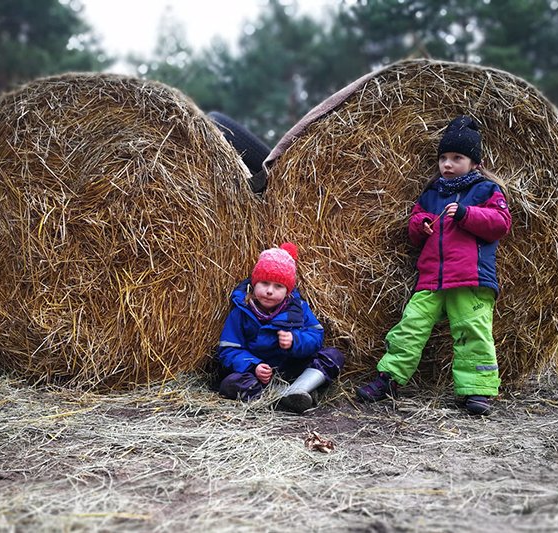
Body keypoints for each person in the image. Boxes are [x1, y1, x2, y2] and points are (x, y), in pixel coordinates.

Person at [356, 116, 512, 416]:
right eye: (443, 158)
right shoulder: (431, 194)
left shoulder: (486, 191)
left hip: (470, 279)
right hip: (431, 279)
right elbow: (414, 224)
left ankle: (478, 390)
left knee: (472, 332)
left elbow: (500, 224)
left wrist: (466, 214)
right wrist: (421, 225)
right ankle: (388, 378)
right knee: (409, 328)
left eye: (457, 158)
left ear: (475, 163)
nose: (448, 164)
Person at [216, 242, 344, 414]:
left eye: (278, 286)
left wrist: (295, 341)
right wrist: (254, 366)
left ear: (288, 291)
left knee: (333, 356)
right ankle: (279, 398)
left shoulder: (298, 309)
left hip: (293, 369)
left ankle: (298, 390)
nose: (270, 291)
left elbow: (316, 336)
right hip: (259, 377)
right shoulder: (241, 312)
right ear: (254, 285)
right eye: (264, 283)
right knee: (230, 383)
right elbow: (228, 349)